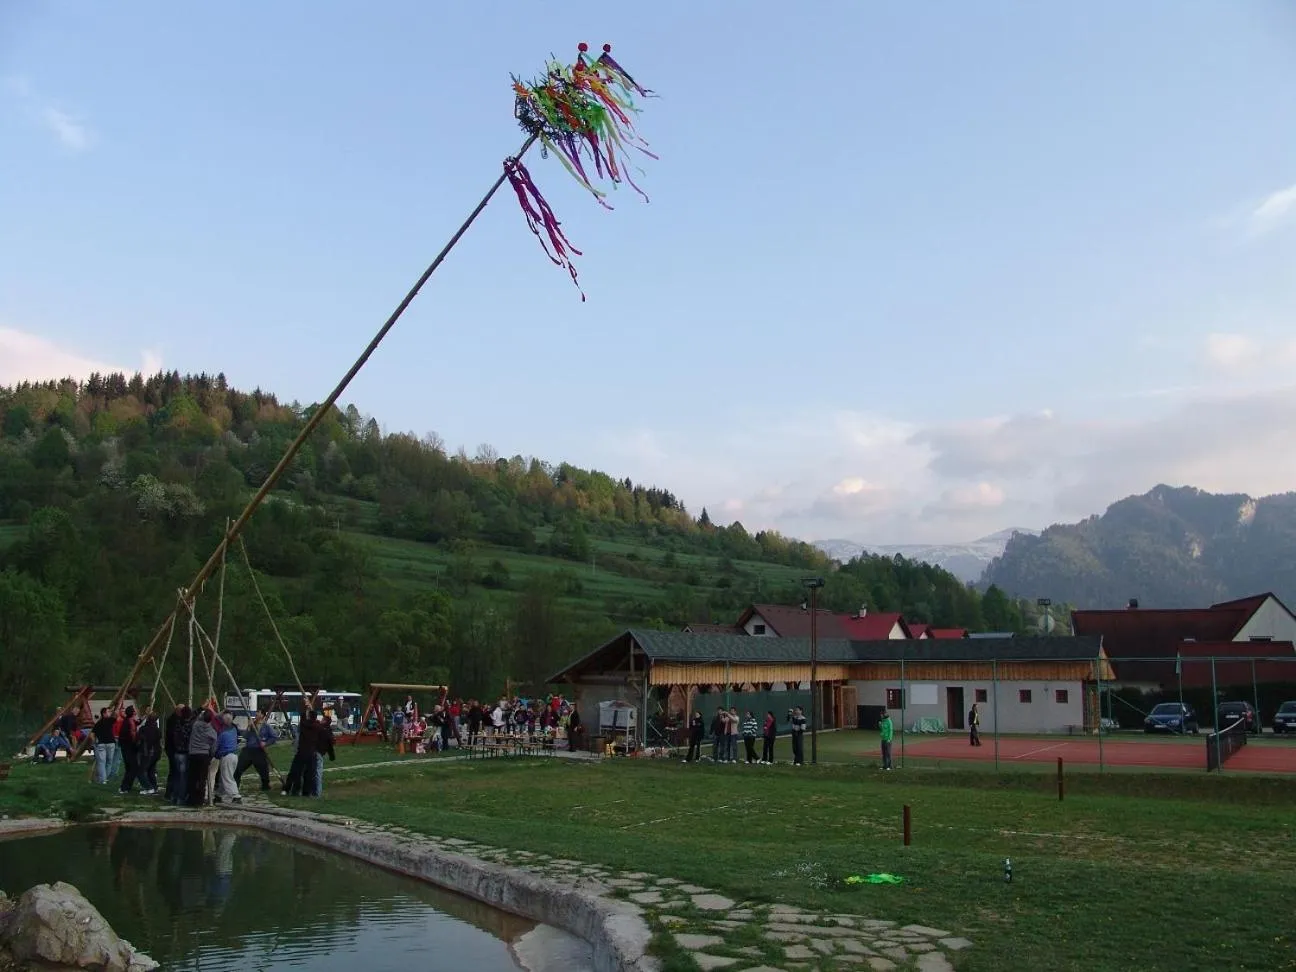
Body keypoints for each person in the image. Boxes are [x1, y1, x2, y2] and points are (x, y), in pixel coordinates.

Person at [186, 709, 218, 806]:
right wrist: (211, 755)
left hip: (193, 754)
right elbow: (213, 746)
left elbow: (195, 718)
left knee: (192, 778)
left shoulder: (195, 725)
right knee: (202, 779)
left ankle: (191, 799)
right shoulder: (211, 731)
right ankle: (200, 800)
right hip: (204, 755)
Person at [235, 718, 276, 791]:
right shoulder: (251, 726)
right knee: (238, 768)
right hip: (248, 750)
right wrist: (249, 727)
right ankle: (235, 786)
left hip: (259, 750)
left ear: (262, 715)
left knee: (263, 770)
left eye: (258, 713)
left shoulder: (266, 727)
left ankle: (266, 786)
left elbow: (273, 737)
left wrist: (266, 743)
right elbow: (245, 736)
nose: (256, 715)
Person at [167, 705, 193, 804]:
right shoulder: (189, 725)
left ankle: (174, 796)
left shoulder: (177, 723)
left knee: (176, 776)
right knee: (183, 778)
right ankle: (181, 798)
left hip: (176, 753)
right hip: (185, 754)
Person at [214, 713, 241, 804]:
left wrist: (214, 754)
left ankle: (236, 796)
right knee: (224, 777)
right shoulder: (234, 730)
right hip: (234, 756)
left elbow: (216, 747)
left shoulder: (222, 734)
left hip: (227, 757)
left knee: (227, 777)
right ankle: (219, 794)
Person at [117, 706, 142, 795]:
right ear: (132, 713)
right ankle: (124, 787)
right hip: (128, 748)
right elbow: (130, 736)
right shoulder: (128, 722)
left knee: (130, 769)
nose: (136, 712)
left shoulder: (130, 721)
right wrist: (136, 743)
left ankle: (126, 787)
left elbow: (138, 722)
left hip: (129, 748)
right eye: (135, 711)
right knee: (133, 768)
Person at [139, 711, 163, 794]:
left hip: (147, 752)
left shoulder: (144, 729)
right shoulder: (157, 730)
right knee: (151, 770)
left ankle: (148, 787)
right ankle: (154, 787)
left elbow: (139, 739)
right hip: (156, 752)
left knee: (141, 771)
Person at [313, 714, 336, 796]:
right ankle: (317, 792)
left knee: (314, 772)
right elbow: (331, 745)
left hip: (315, 751)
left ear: (325, 721)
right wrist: (332, 756)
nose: (321, 720)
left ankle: (314, 792)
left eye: (322, 719)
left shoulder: (319, 729)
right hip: (320, 753)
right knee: (318, 773)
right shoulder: (328, 731)